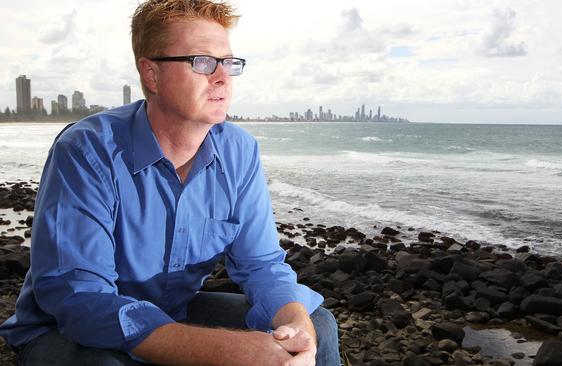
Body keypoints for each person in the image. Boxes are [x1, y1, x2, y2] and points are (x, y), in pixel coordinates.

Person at [0, 1, 340, 365]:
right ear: (151, 74)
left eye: (228, 62)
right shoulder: (87, 151)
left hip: (173, 312)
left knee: (317, 325)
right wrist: (229, 351)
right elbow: (81, 300)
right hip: (62, 330)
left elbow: (262, 266)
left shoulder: (240, 151)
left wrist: (295, 328)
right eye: (203, 62)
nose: (222, 77)